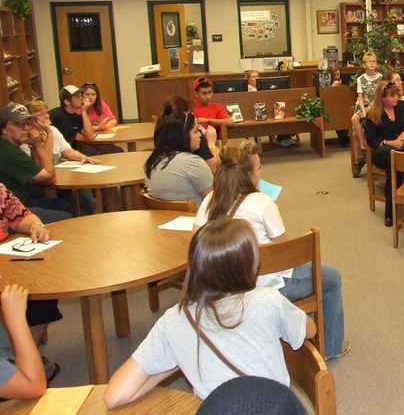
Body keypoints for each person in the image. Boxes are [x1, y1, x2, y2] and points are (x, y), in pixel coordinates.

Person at [103, 218, 315, 406]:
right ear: (247, 265)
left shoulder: (174, 320)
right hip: (275, 409)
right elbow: (310, 330)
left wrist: (174, 359)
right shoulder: (268, 300)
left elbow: (115, 396)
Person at [193, 141, 349, 361]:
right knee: (332, 278)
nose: (261, 172)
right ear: (247, 175)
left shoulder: (211, 200)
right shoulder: (263, 203)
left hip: (222, 284)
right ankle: (331, 346)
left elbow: (196, 241)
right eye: (258, 169)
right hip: (264, 285)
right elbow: (285, 255)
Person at [0, 182, 62, 384]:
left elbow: (22, 215)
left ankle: (24, 359)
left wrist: (36, 226)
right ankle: (20, 372)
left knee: (43, 290)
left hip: (8, 263)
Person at [22, 100, 99, 215]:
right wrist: (48, 133)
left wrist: (83, 157)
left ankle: (93, 210)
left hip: (60, 173)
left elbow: (68, 151)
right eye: (41, 114)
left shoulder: (53, 130)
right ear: (30, 119)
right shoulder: (26, 138)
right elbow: (41, 164)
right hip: (42, 183)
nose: (46, 116)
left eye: (46, 112)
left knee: (83, 182)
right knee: (68, 200)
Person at [364, 80, 404, 227]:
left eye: (397, 94)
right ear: (382, 98)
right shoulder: (373, 113)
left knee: (395, 168)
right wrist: (391, 143)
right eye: (392, 95)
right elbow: (371, 139)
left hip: (403, 149)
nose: (396, 97)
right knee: (392, 156)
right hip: (383, 151)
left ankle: (390, 212)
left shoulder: (403, 106)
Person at [0, 103, 71, 223]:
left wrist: (33, 145)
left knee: (66, 203)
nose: (26, 128)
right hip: (12, 211)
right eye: (19, 124)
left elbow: (37, 169)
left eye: (28, 122)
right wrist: (38, 144)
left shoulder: (9, 145)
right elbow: (48, 178)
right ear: (4, 129)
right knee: (65, 216)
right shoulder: (8, 151)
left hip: (22, 200)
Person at [145, 112, 213, 207]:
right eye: (196, 131)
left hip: (163, 219)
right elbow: (215, 202)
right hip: (193, 219)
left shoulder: (155, 160)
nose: (200, 135)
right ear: (183, 135)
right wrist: (211, 145)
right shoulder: (192, 162)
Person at [156, 95, 219, 173]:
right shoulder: (194, 137)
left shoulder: (162, 131)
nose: (193, 118)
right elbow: (212, 167)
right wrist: (211, 143)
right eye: (190, 114)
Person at [351, 51, 382, 177]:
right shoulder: (360, 79)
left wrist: (370, 109)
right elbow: (360, 97)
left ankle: (360, 159)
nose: (372, 64)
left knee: (354, 135)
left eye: (374, 61)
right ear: (364, 65)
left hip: (375, 106)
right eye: (369, 61)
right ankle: (363, 147)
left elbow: (379, 96)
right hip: (363, 106)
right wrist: (363, 110)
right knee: (354, 118)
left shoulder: (380, 78)